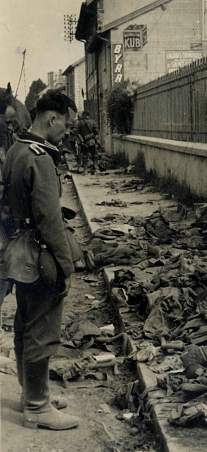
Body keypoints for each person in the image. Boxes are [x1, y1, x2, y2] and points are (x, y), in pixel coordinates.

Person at [2, 90, 79, 430]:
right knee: (42, 328)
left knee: (25, 322)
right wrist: (66, 264)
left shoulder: (17, 150)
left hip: (19, 250)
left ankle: (32, 393)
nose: (68, 130)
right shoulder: (42, 159)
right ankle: (37, 405)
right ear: (53, 119)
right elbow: (49, 220)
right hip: (39, 254)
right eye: (68, 123)